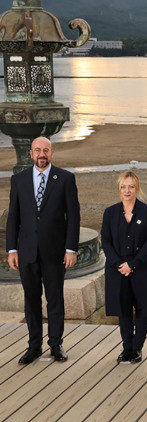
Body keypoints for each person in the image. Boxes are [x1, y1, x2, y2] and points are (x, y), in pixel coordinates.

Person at [6, 136, 80, 364]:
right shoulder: (18, 180)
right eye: (37, 150)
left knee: (55, 299)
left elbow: (73, 217)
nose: (41, 154)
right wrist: (12, 249)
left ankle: (56, 345)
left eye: (46, 150)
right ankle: (34, 346)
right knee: (31, 301)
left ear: (52, 153)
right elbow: (13, 217)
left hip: (55, 252)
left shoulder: (65, 179)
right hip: (27, 252)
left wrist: (71, 249)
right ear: (31, 153)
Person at [101, 171, 147, 363]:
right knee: (123, 309)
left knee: (143, 308)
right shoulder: (110, 213)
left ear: (137, 188)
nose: (127, 190)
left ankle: (137, 348)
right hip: (117, 269)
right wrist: (119, 264)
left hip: (141, 267)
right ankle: (127, 347)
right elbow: (106, 241)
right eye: (123, 187)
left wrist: (133, 265)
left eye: (131, 187)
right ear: (118, 189)